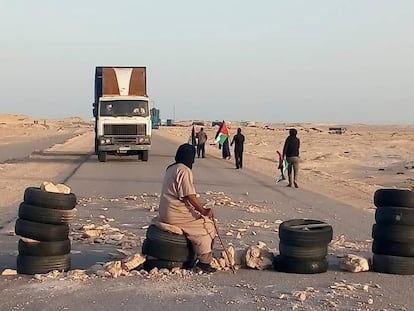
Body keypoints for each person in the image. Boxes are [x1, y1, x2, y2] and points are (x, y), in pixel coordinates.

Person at [158, 143, 217, 273]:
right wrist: (203, 211)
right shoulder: (184, 170)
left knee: (200, 219)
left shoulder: (171, 168)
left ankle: (192, 255)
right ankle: (204, 262)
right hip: (175, 212)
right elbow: (189, 195)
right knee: (206, 226)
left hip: (165, 210)